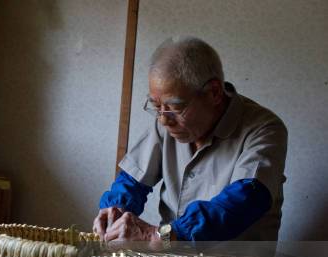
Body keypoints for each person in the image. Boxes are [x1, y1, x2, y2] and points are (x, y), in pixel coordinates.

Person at [93, 36, 287, 245]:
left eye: (175, 107)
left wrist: (156, 236)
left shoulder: (265, 130)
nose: (163, 119)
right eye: (156, 106)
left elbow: (242, 204)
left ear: (214, 92)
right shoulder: (166, 120)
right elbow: (132, 181)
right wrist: (114, 211)